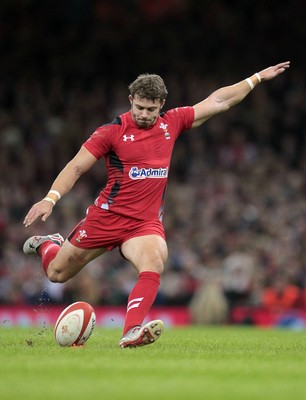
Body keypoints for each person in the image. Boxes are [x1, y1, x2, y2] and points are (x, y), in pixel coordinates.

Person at [23, 61, 290, 348]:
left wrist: (256, 78)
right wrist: (50, 199)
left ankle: (131, 330)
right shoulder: (111, 132)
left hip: (143, 224)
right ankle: (49, 244)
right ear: (131, 101)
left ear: (161, 104)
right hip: (106, 218)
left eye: (151, 109)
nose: (144, 114)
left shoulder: (171, 122)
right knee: (57, 273)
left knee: (154, 261)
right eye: (139, 107)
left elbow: (219, 101)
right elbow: (76, 167)